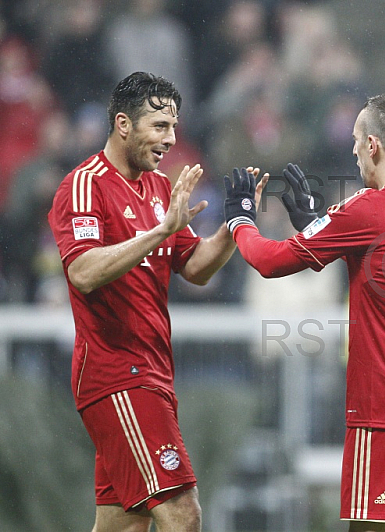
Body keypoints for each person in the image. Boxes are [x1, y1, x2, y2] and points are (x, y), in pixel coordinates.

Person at [224, 94, 385, 532]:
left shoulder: (369, 206)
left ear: (374, 145)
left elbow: (270, 261)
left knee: (370, 526)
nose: (354, 150)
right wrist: (318, 225)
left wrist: (241, 220)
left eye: (357, 140)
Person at [48, 72, 242, 532]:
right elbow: (83, 272)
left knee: (124, 524)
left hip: (151, 371)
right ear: (122, 124)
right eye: (159, 126)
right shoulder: (84, 186)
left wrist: (235, 225)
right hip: (116, 374)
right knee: (183, 513)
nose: (170, 139)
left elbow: (193, 266)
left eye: (173, 127)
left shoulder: (157, 188)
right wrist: (158, 231)